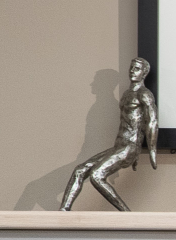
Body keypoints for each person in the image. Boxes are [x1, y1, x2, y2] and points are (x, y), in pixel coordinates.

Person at [60, 58, 158, 212]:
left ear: (144, 73)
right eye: (131, 68)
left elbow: (152, 122)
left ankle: (126, 214)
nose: (132, 71)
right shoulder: (126, 94)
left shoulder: (144, 94)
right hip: (119, 146)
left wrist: (151, 150)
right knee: (79, 170)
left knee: (96, 175)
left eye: (137, 69)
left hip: (128, 147)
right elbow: (131, 121)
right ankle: (63, 211)